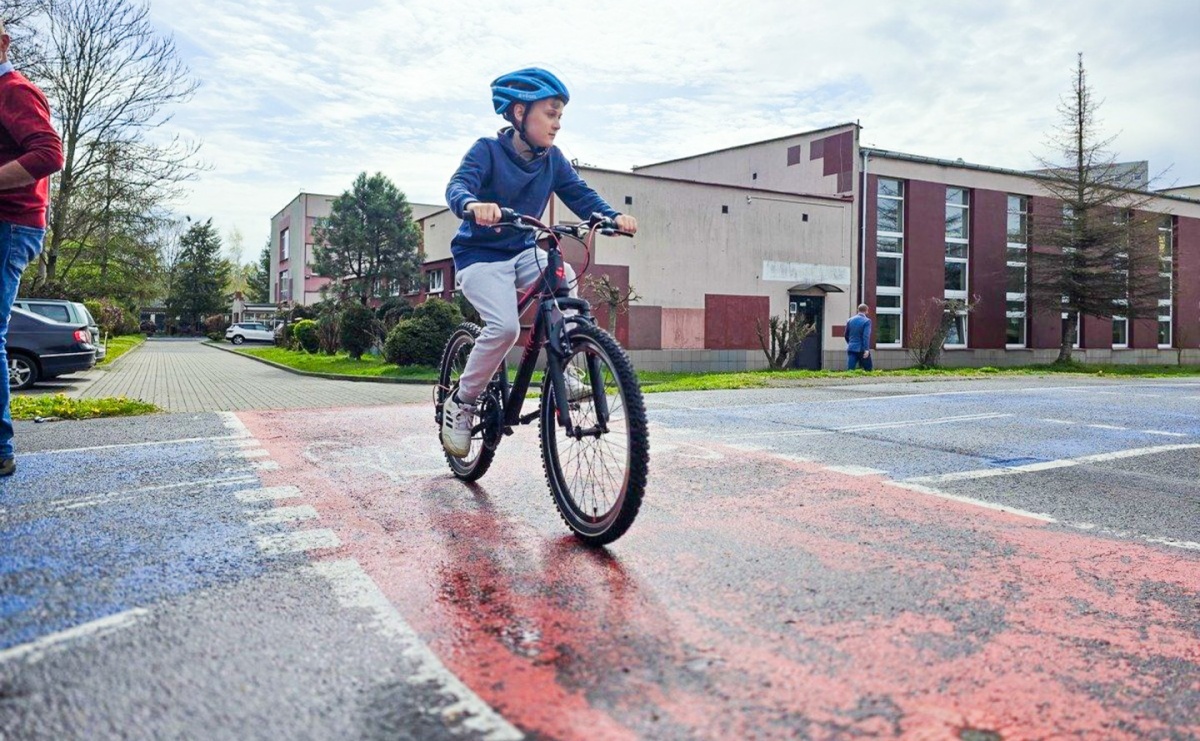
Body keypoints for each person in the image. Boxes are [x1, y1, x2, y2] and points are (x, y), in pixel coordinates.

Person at [441, 67, 637, 457]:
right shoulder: (487, 150)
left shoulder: (552, 160)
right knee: (503, 328)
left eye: (560, 116)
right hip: (479, 256)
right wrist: (473, 205)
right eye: (550, 114)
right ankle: (461, 404)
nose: (557, 124)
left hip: (523, 249)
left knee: (563, 283)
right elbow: (457, 185)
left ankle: (567, 365)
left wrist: (610, 216)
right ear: (519, 113)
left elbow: (579, 194)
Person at [0, 21, 64, 477]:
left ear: (2, 42)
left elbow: (49, 154)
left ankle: (0, 448)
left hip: (8, 226)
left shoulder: (14, 89)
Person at [845, 303, 873, 371]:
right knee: (868, 369)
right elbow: (866, 336)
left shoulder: (849, 320)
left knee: (850, 369)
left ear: (858, 310)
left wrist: (850, 343)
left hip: (851, 347)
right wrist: (866, 349)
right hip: (862, 349)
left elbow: (846, 334)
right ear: (866, 311)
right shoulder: (867, 321)